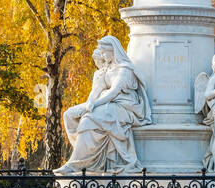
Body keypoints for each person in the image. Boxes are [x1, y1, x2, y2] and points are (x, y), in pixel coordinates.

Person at [55, 36, 152, 173]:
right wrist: (88, 104)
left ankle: (77, 164)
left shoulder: (124, 70)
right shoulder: (106, 70)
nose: (102, 55)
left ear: (113, 51)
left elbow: (113, 92)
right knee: (69, 114)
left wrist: (94, 105)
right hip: (108, 103)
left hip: (126, 107)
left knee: (88, 120)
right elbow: (96, 91)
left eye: (104, 52)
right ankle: (84, 157)